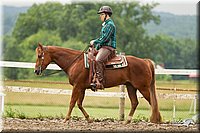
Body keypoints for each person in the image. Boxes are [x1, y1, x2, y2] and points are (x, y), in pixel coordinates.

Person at [90, 6, 116, 90]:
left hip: (108, 47)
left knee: (98, 60)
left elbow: (105, 38)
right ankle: (93, 78)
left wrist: (95, 42)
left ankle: (100, 82)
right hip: (103, 47)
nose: (100, 16)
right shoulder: (105, 25)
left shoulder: (110, 25)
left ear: (106, 15)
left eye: (101, 14)